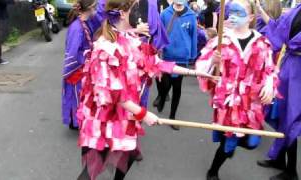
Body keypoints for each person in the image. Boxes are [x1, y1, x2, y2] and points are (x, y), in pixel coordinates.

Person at [76, 0, 215, 179]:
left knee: (130, 154)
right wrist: (144, 114)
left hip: (122, 115)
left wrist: (195, 72)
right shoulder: (105, 48)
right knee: (93, 168)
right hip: (104, 119)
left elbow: (156, 63)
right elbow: (113, 95)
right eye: (136, 8)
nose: (141, 14)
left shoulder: (130, 39)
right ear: (123, 13)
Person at [195, 0, 278, 179]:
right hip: (228, 103)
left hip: (251, 105)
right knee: (228, 143)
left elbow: (270, 69)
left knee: (252, 143)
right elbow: (200, 69)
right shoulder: (220, 41)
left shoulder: (262, 43)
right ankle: (213, 171)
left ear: (250, 17)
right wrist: (212, 62)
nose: (233, 16)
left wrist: (270, 84)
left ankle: (229, 145)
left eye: (239, 13)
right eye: (231, 12)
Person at [255, 1, 301, 180]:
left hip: (298, 72)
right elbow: (278, 28)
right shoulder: (297, 9)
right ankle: (280, 160)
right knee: (282, 114)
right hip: (289, 66)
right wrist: (260, 10)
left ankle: (291, 172)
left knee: (291, 119)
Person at [156, 0, 198, 131]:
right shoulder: (164, 14)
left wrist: (192, 55)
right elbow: (159, 33)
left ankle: (172, 117)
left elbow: (193, 36)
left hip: (182, 57)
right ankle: (162, 97)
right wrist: (157, 50)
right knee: (165, 84)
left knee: (177, 87)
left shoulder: (191, 15)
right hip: (167, 55)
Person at [62, 0, 104, 130]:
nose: (96, 11)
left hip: (82, 66)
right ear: (90, 8)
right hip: (77, 68)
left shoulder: (83, 23)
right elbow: (73, 53)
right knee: (76, 96)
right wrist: (86, 59)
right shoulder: (77, 27)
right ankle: (75, 122)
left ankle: (77, 121)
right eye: (95, 8)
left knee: (79, 96)